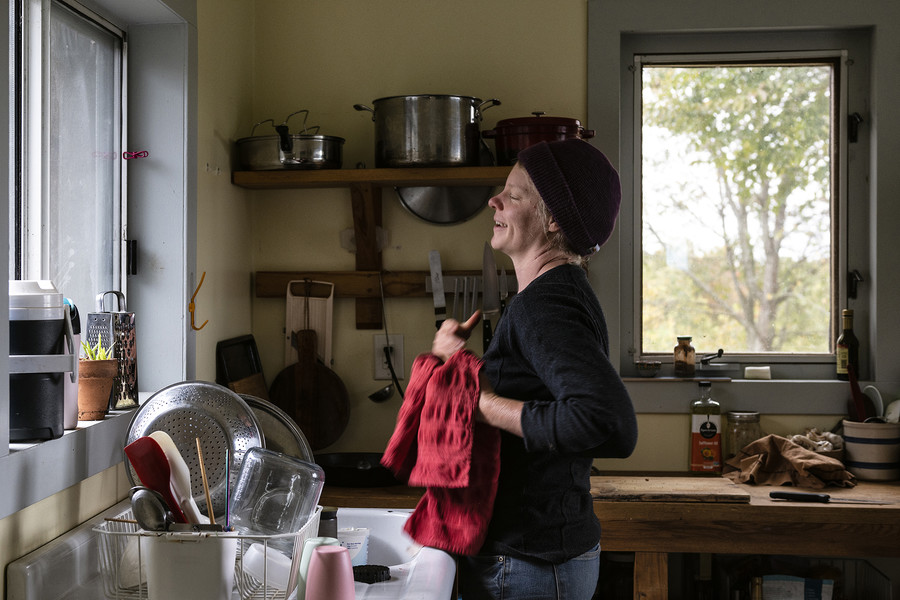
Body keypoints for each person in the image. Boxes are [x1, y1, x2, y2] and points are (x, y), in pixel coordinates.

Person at [431, 139, 638, 599]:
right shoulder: (557, 294)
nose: (494, 201)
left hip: (528, 565)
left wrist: (476, 401)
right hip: (537, 557)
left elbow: (605, 422)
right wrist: (457, 365)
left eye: (514, 194)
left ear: (554, 219)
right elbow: (538, 394)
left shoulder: (547, 303)